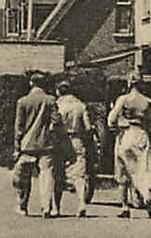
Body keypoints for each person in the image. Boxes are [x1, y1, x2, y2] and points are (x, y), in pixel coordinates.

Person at [106, 72, 151, 218]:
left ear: (129, 83)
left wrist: (115, 128)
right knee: (142, 169)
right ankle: (146, 197)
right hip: (141, 135)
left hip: (126, 134)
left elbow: (111, 119)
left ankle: (125, 207)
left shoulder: (123, 99)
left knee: (123, 171)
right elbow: (150, 123)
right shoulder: (147, 101)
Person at [13, 72, 62, 217]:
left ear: (31, 83)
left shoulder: (23, 102)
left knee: (24, 177)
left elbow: (19, 127)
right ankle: (46, 207)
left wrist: (17, 147)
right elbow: (56, 121)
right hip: (46, 143)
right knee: (46, 175)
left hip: (27, 144)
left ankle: (22, 207)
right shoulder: (51, 100)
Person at [52, 74, 95, 218]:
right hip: (77, 139)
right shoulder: (80, 105)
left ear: (59, 91)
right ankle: (81, 203)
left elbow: (53, 126)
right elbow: (88, 127)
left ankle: (56, 207)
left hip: (61, 140)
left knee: (58, 174)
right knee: (79, 174)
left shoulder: (57, 105)